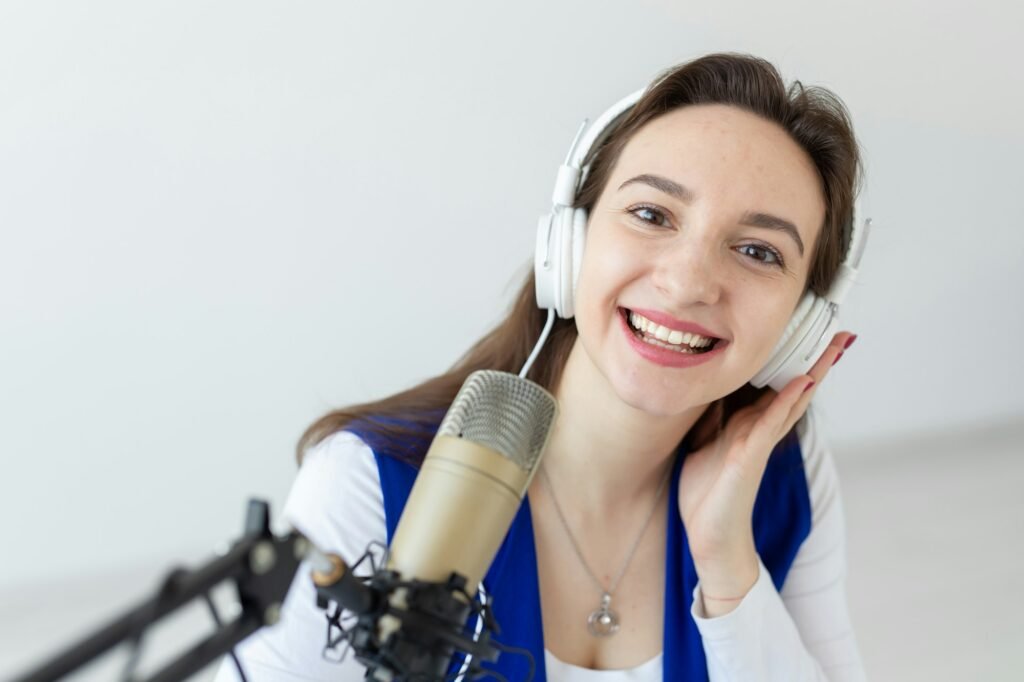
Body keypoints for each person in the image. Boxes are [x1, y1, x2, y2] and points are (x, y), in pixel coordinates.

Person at [215, 52, 869, 681]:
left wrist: (728, 563)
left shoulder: (782, 476)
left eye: (758, 251)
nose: (689, 282)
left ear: (802, 323)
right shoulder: (370, 482)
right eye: (651, 214)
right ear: (570, 242)